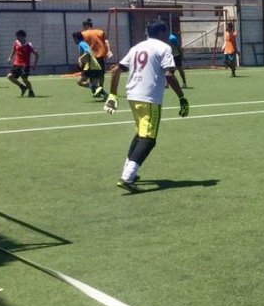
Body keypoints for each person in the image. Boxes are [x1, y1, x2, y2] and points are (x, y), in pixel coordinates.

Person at [104, 19, 190, 191]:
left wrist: (113, 94)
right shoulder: (164, 48)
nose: (167, 36)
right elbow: (169, 75)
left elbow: (116, 70)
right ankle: (127, 178)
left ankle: (129, 171)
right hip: (149, 97)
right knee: (149, 139)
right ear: (161, 33)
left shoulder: (136, 47)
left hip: (132, 95)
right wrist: (181, 97)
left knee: (140, 134)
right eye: (166, 33)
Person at [72, 30, 105, 99]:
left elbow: (87, 51)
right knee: (93, 83)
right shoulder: (83, 43)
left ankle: (95, 88)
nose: (73, 41)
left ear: (76, 38)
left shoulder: (81, 44)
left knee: (79, 82)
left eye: (74, 39)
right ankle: (102, 93)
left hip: (90, 66)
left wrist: (80, 58)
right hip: (92, 65)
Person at [7, 29, 38, 97]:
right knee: (9, 76)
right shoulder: (16, 42)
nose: (17, 38)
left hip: (25, 65)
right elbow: (13, 50)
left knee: (24, 79)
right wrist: (10, 58)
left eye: (18, 37)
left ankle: (31, 91)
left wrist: (34, 64)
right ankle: (22, 87)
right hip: (16, 64)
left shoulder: (29, 45)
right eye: (17, 37)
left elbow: (36, 54)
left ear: (23, 36)